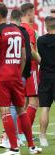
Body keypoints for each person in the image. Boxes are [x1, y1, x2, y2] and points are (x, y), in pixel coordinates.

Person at [0, 2, 42, 155]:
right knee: (21, 110)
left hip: (2, 77)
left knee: (5, 111)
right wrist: (20, 73)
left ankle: (14, 148)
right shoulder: (17, 30)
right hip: (17, 76)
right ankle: (31, 147)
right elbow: (24, 56)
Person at [0, 8, 32, 148]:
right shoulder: (23, 32)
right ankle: (10, 139)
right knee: (18, 108)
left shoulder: (5, 32)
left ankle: (12, 139)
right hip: (19, 74)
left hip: (9, 74)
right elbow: (27, 54)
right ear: (23, 16)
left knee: (13, 108)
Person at [20, 3, 41, 127]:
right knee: (34, 101)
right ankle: (24, 132)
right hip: (31, 68)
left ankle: (19, 132)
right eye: (34, 13)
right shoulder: (29, 29)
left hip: (20, 69)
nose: (34, 15)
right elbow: (31, 50)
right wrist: (41, 61)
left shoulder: (18, 27)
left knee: (23, 103)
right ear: (29, 13)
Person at [38, 16, 55, 147]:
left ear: (45, 25)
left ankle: (43, 137)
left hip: (45, 76)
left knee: (45, 108)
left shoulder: (40, 40)